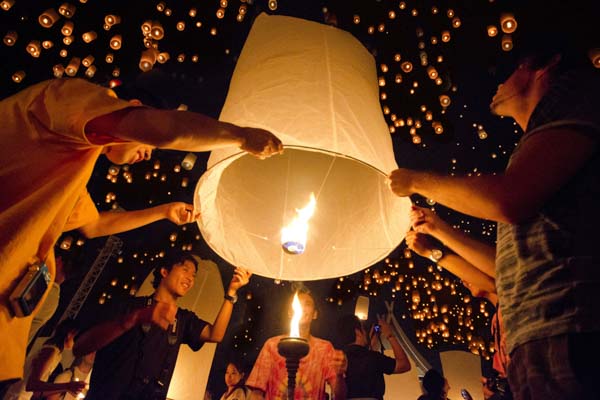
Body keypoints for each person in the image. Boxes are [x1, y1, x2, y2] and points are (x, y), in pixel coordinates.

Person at [0, 77, 282, 386]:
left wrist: (163, 211)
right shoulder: (68, 97)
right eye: (147, 146)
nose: (148, 154)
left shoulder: (75, 162)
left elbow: (94, 225)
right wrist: (240, 137)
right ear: (134, 109)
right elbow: (166, 130)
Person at [389, 14, 600, 399]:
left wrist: (415, 179)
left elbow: (510, 198)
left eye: (508, 70)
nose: (497, 83)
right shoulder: (538, 150)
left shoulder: (579, 97)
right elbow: (503, 276)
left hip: (570, 333)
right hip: (542, 339)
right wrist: (437, 235)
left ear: (543, 66)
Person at [72, 250, 251, 399]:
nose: (190, 278)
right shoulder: (127, 306)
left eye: (194, 275)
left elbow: (215, 334)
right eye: (185, 269)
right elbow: (80, 347)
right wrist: (135, 319)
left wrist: (231, 293)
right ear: (164, 272)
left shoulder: (183, 319)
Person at [406, 206, 511, 400]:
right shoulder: (497, 318)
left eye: (466, 269)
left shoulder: (511, 308)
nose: (464, 279)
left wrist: (433, 245)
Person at [245, 289, 347, 400]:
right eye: (298, 304)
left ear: (315, 314)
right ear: (290, 312)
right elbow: (256, 393)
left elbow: (339, 396)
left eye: (307, 304)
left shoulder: (324, 348)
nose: (301, 308)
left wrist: (339, 375)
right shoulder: (273, 345)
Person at [4, 319, 85, 400]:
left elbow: (36, 392)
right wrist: (67, 386)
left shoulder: (56, 354)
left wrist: (65, 388)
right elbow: (31, 385)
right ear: (71, 334)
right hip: (15, 396)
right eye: (78, 337)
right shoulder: (51, 351)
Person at [337, 314, 410, 400]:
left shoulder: (339, 359)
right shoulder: (374, 358)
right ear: (358, 332)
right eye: (363, 329)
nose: (365, 333)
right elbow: (404, 365)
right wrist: (390, 335)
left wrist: (371, 348)